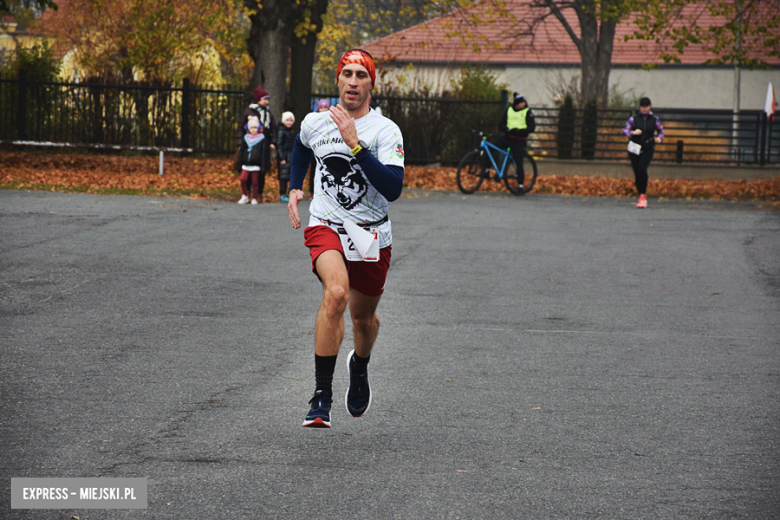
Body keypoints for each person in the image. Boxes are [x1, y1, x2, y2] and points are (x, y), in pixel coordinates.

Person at [286, 49, 405, 429]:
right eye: (347, 74)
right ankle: (321, 396)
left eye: (361, 75)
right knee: (335, 293)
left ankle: (360, 364)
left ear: (371, 84)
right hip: (327, 223)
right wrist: (294, 187)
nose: (353, 81)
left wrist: (356, 144)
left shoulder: (386, 131)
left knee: (364, 319)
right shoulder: (316, 122)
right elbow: (302, 146)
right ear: (338, 79)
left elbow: (393, 188)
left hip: (371, 232)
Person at [623, 97, 664, 208]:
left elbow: (661, 130)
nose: (644, 109)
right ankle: (640, 191)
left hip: (648, 147)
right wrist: (633, 133)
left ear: (649, 107)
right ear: (640, 107)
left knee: (642, 169)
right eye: (642, 107)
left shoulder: (655, 119)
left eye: (646, 107)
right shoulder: (634, 119)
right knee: (637, 172)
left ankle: (643, 196)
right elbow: (625, 130)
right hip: (635, 147)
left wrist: (659, 138)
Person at [237, 87, 277, 199]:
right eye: (265, 99)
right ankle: (247, 192)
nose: (267, 102)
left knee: (261, 170)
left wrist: (272, 141)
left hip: (263, 145)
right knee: (248, 171)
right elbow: (241, 127)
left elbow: (273, 128)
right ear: (258, 99)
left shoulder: (267, 113)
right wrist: (240, 142)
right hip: (250, 144)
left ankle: (258, 193)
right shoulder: (248, 112)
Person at [498, 93, 536, 187]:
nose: (524, 104)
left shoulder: (527, 112)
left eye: (524, 102)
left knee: (519, 161)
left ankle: (520, 185)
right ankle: (486, 170)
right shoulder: (509, 110)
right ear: (517, 104)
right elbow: (501, 123)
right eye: (522, 102)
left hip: (519, 139)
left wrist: (521, 131)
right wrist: (506, 129)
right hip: (508, 137)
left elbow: (532, 127)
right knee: (492, 147)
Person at [236, 116, 266, 205]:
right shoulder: (245, 138)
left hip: (256, 165)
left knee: (255, 182)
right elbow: (241, 151)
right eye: (251, 128)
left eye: (255, 128)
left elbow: (263, 153)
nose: (253, 130)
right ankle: (245, 195)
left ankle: (255, 198)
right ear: (248, 128)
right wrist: (239, 162)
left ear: (258, 128)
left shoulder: (262, 138)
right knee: (243, 179)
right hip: (246, 164)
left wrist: (263, 166)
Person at [305, 99, 331, 199]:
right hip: (315, 147)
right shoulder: (314, 119)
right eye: (321, 108)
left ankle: (326, 190)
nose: (323, 110)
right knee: (314, 169)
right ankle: (312, 190)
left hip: (327, 147)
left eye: (325, 108)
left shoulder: (331, 119)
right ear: (318, 109)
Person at [276, 111, 296, 203]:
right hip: (284, 157)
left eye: (291, 120)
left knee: (289, 175)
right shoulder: (281, 131)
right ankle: (282, 194)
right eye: (287, 120)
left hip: (290, 156)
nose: (289, 122)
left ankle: (289, 193)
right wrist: (282, 157)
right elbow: (279, 145)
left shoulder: (291, 131)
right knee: (283, 177)